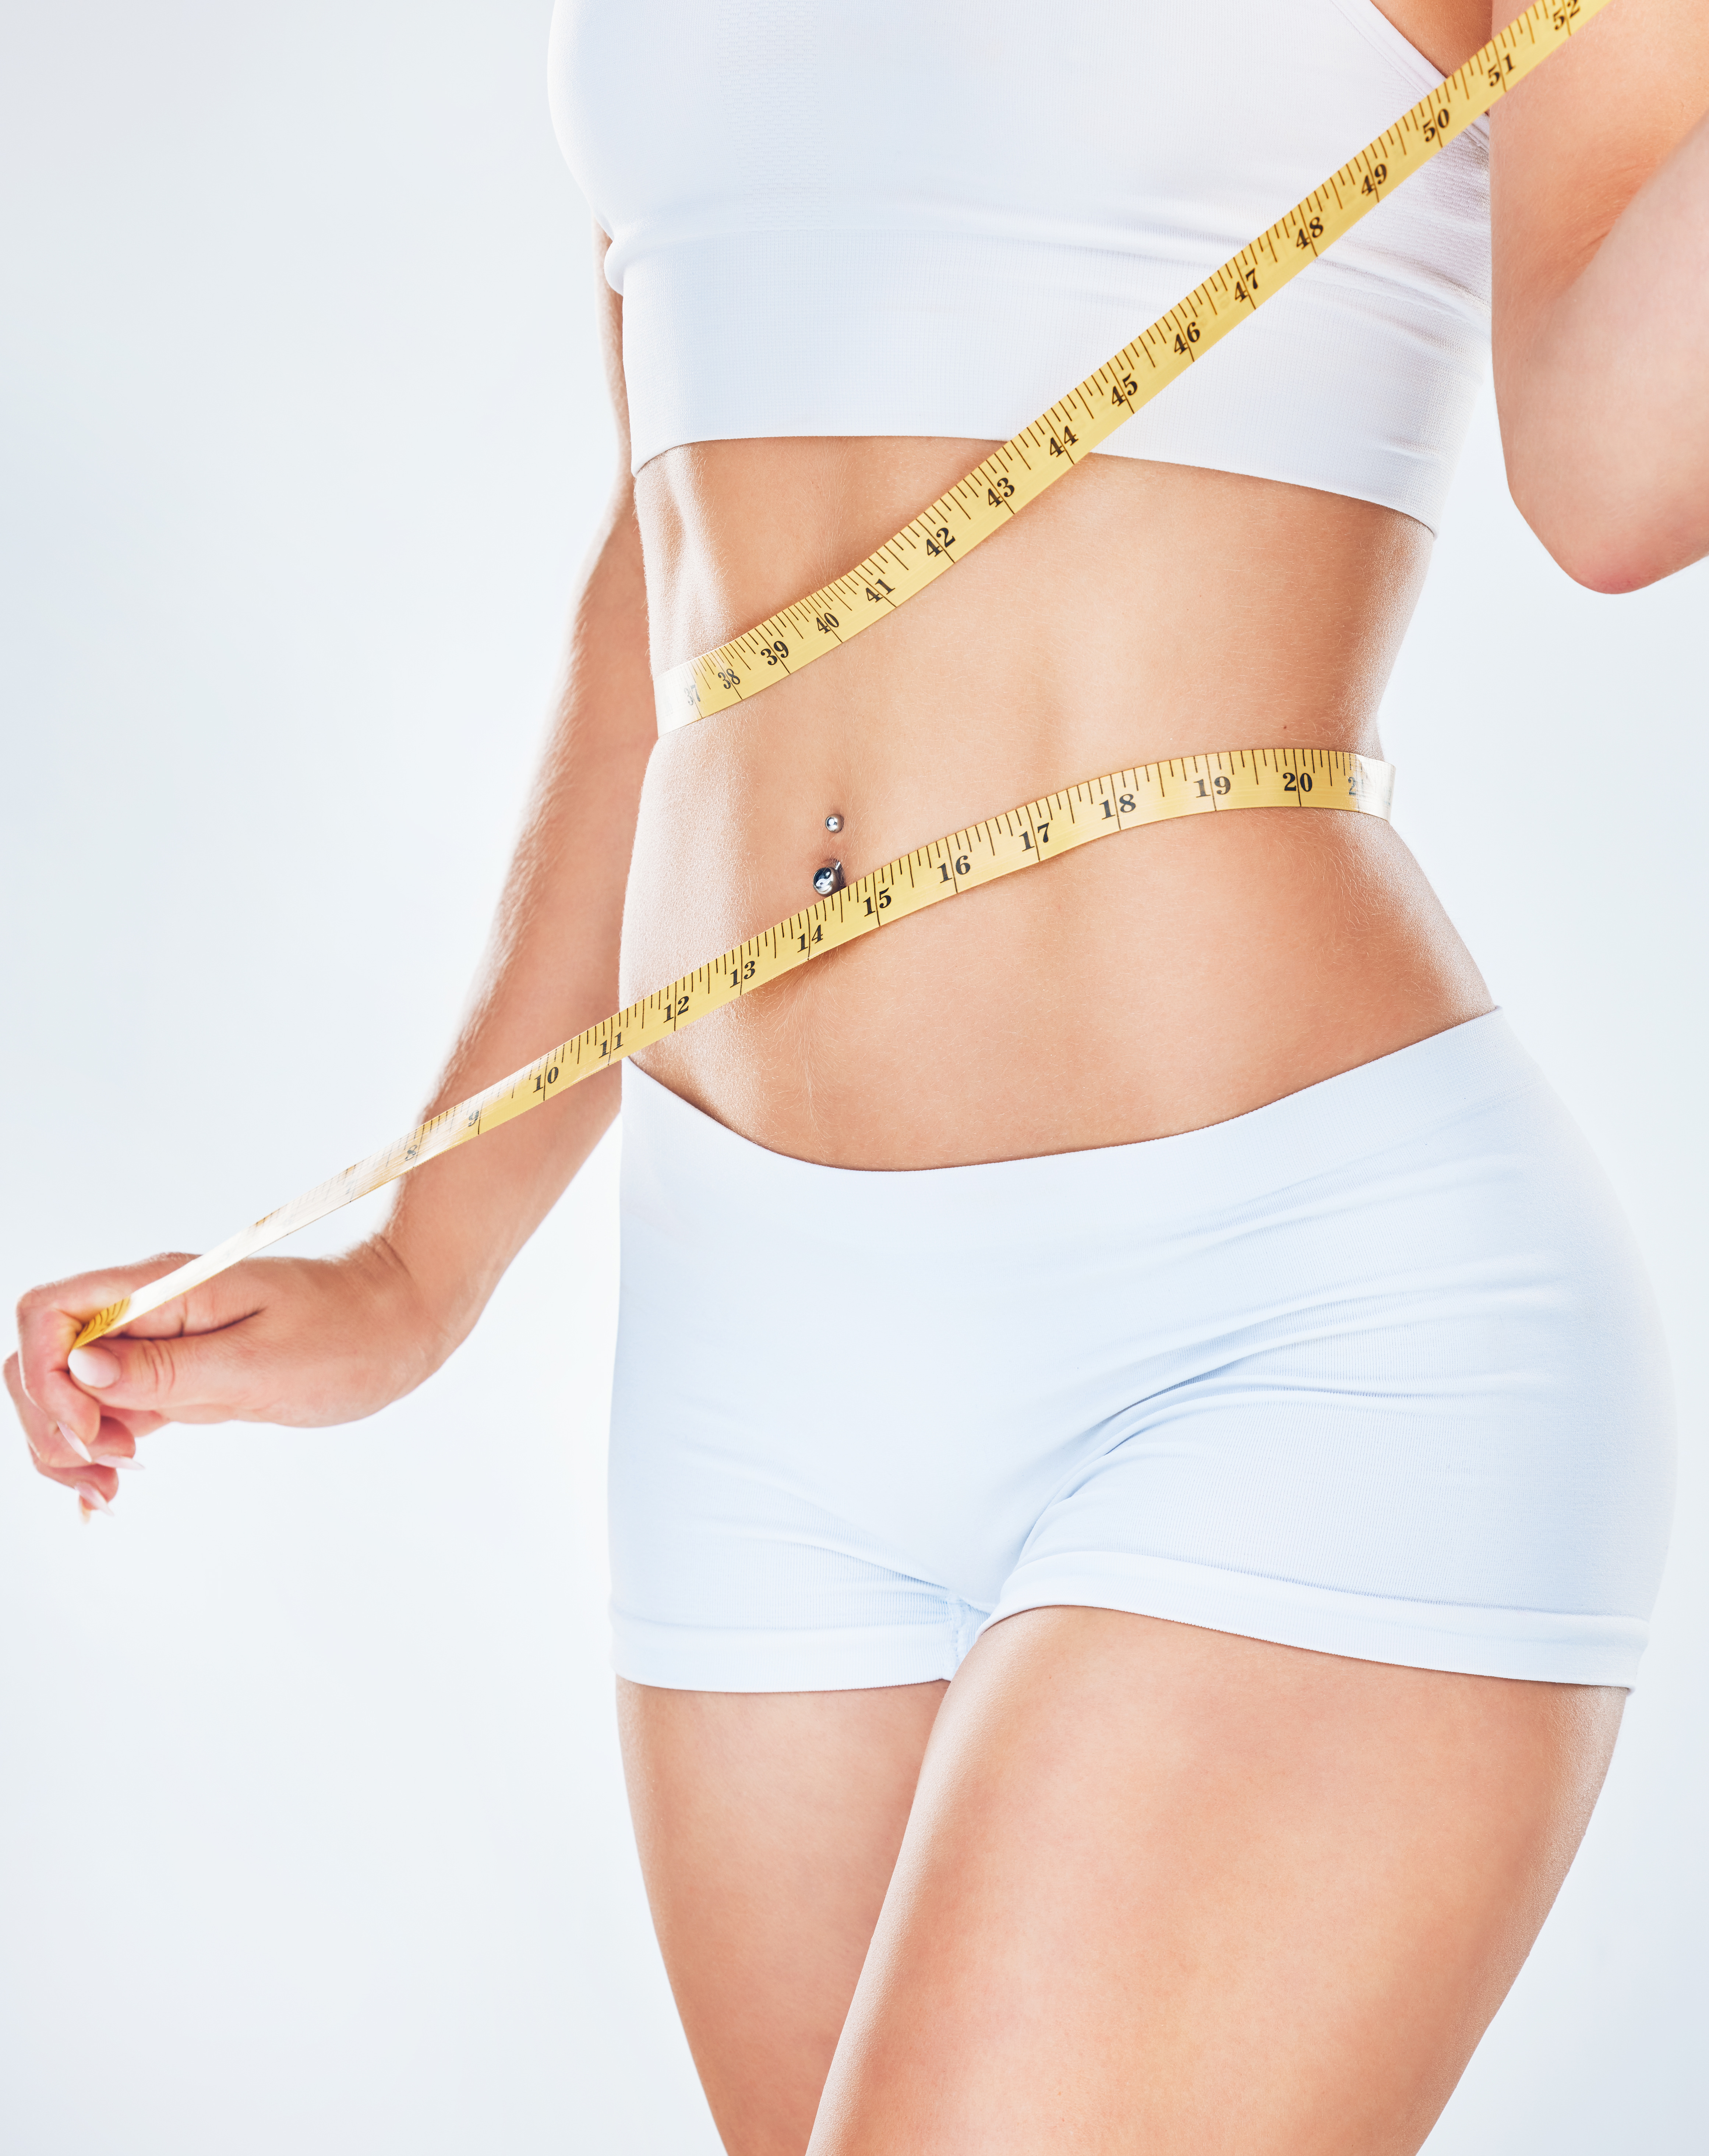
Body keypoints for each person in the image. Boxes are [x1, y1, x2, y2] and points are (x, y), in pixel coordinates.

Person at [9, 3, 1706, 2149]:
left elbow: (1620, 473)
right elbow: (691, 577)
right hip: (750, 1380)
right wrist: (425, 1256)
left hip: (1280, 1331)